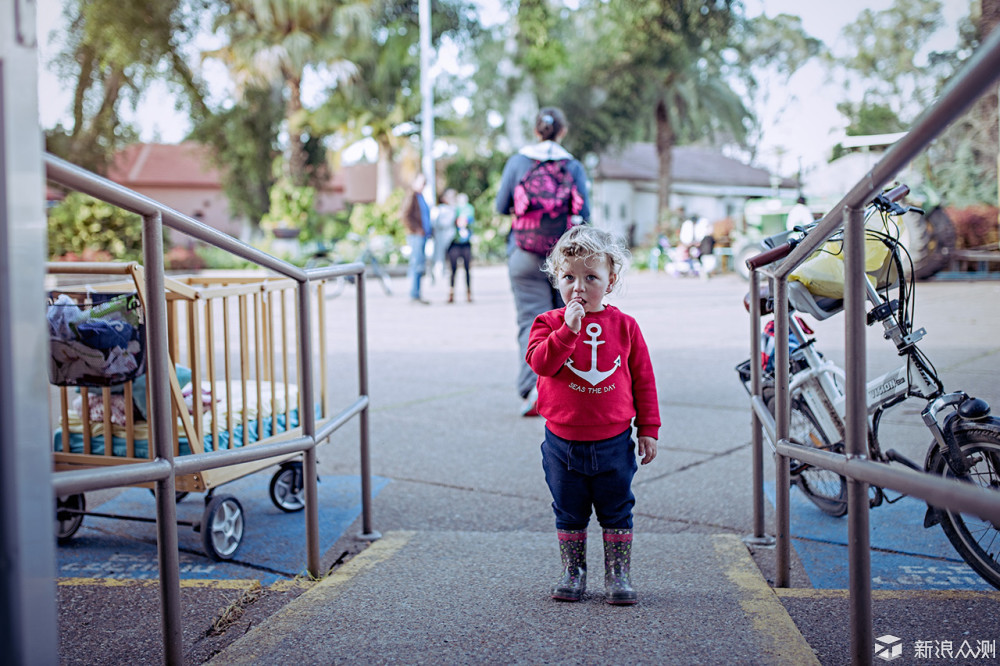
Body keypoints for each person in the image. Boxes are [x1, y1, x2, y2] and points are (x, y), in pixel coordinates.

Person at [525, 225, 660, 605]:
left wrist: (648, 428)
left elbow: (643, 381)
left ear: (611, 281)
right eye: (568, 277)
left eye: (591, 277)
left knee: (617, 509)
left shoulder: (625, 327)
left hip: (614, 443)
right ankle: (574, 571)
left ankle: (618, 574)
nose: (578, 287)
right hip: (562, 443)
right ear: (557, 279)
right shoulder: (548, 324)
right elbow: (542, 363)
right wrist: (568, 331)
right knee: (569, 510)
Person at [495, 107, 591, 417]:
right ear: (562, 131)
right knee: (566, 320)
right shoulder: (572, 165)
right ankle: (567, 392)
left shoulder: (517, 162)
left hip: (523, 253)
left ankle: (533, 390)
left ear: (536, 131)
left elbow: (501, 205)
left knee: (530, 322)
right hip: (563, 258)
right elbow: (584, 212)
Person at [402, 173, 432, 304]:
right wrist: (416, 229)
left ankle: (417, 293)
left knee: (420, 265)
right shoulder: (411, 196)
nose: (423, 185)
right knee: (417, 264)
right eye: (421, 182)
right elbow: (404, 215)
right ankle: (414, 294)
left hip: (423, 236)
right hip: (416, 236)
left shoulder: (420, 197)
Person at [447, 192, 474, 303]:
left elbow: (471, 221)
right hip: (455, 243)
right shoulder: (453, 209)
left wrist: (465, 221)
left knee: (467, 269)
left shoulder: (469, 209)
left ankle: (468, 293)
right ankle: (451, 293)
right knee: (453, 270)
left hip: (466, 243)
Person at [431, 189, 458, 284]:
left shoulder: (454, 208)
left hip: (450, 237)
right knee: (438, 256)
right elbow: (436, 223)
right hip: (441, 236)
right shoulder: (440, 209)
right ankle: (437, 274)